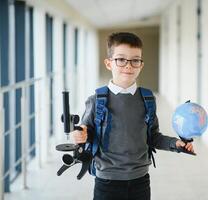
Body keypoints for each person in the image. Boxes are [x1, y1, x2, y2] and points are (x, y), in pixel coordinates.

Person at [72, 32, 194, 200]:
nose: (128, 66)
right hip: (107, 181)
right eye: (121, 59)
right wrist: (79, 134)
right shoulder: (96, 101)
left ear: (141, 65)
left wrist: (176, 143)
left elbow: (153, 137)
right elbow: (84, 132)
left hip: (140, 181)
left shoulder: (147, 99)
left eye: (135, 60)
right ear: (109, 63)